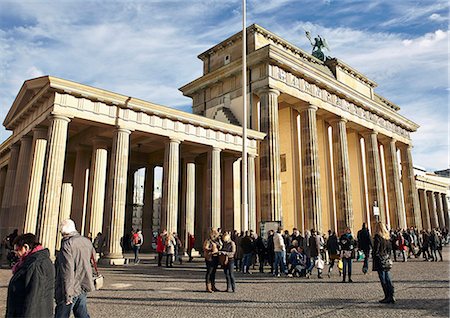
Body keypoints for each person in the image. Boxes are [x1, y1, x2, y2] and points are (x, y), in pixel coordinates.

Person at [6, 233, 54, 318]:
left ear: (26, 247)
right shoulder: (31, 262)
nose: (16, 253)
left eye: (17, 250)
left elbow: (33, 298)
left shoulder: (36, 265)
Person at [55, 219, 96, 318]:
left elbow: (67, 270)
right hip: (83, 284)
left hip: (70, 287)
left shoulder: (67, 244)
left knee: (62, 314)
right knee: (81, 313)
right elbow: (94, 258)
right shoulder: (86, 241)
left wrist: (68, 294)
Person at [373, 222, 395, 303]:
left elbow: (376, 250)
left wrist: (376, 257)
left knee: (383, 279)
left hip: (380, 261)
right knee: (388, 278)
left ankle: (387, 296)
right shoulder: (387, 237)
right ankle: (392, 295)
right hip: (386, 259)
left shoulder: (377, 238)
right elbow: (390, 249)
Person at [203, 229, 222, 293]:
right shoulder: (208, 240)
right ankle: (208, 286)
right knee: (209, 272)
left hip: (216, 257)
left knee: (213, 272)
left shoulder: (216, 241)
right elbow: (205, 248)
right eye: (216, 234)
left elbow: (220, 246)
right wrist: (211, 249)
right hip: (210, 257)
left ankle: (213, 286)